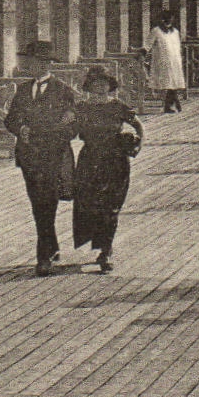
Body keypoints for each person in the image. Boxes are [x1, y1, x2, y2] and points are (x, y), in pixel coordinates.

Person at [2, 40, 79, 275]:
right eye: (29, 60)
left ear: (47, 64)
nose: (30, 65)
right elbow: (11, 118)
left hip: (54, 155)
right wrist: (20, 128)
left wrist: (55, 135)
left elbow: (73, 127)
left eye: (35, 61)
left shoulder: (64, 91)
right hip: (29, 156)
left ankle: (43, 255)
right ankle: (51, 246)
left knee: (47, 202)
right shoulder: (23, 90)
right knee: (39, 203)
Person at [72, 67, 144, 273]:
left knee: (111, 205)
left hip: (115, 160)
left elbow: (138, 126)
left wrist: (139, 145)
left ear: (109, 86)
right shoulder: (82, 108)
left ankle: (106, 250)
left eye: (104, 83)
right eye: (96, 83)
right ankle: (99, 243)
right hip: (90, 159)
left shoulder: (118, 106)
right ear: (90, 86)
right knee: (90, 203)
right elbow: (70, 129)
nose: (100, 87)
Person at [148, 10, 186, 113]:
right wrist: (142, 53)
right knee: (168, 83)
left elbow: (178, 46)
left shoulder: (175, 32)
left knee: (173, 83)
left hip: (174, 60)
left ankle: (171, 104)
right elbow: (148, 45)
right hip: (163, 61)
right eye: (166, 18)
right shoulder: (156, 31)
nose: (168, 20)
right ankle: (173, 103)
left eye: (170, 18)